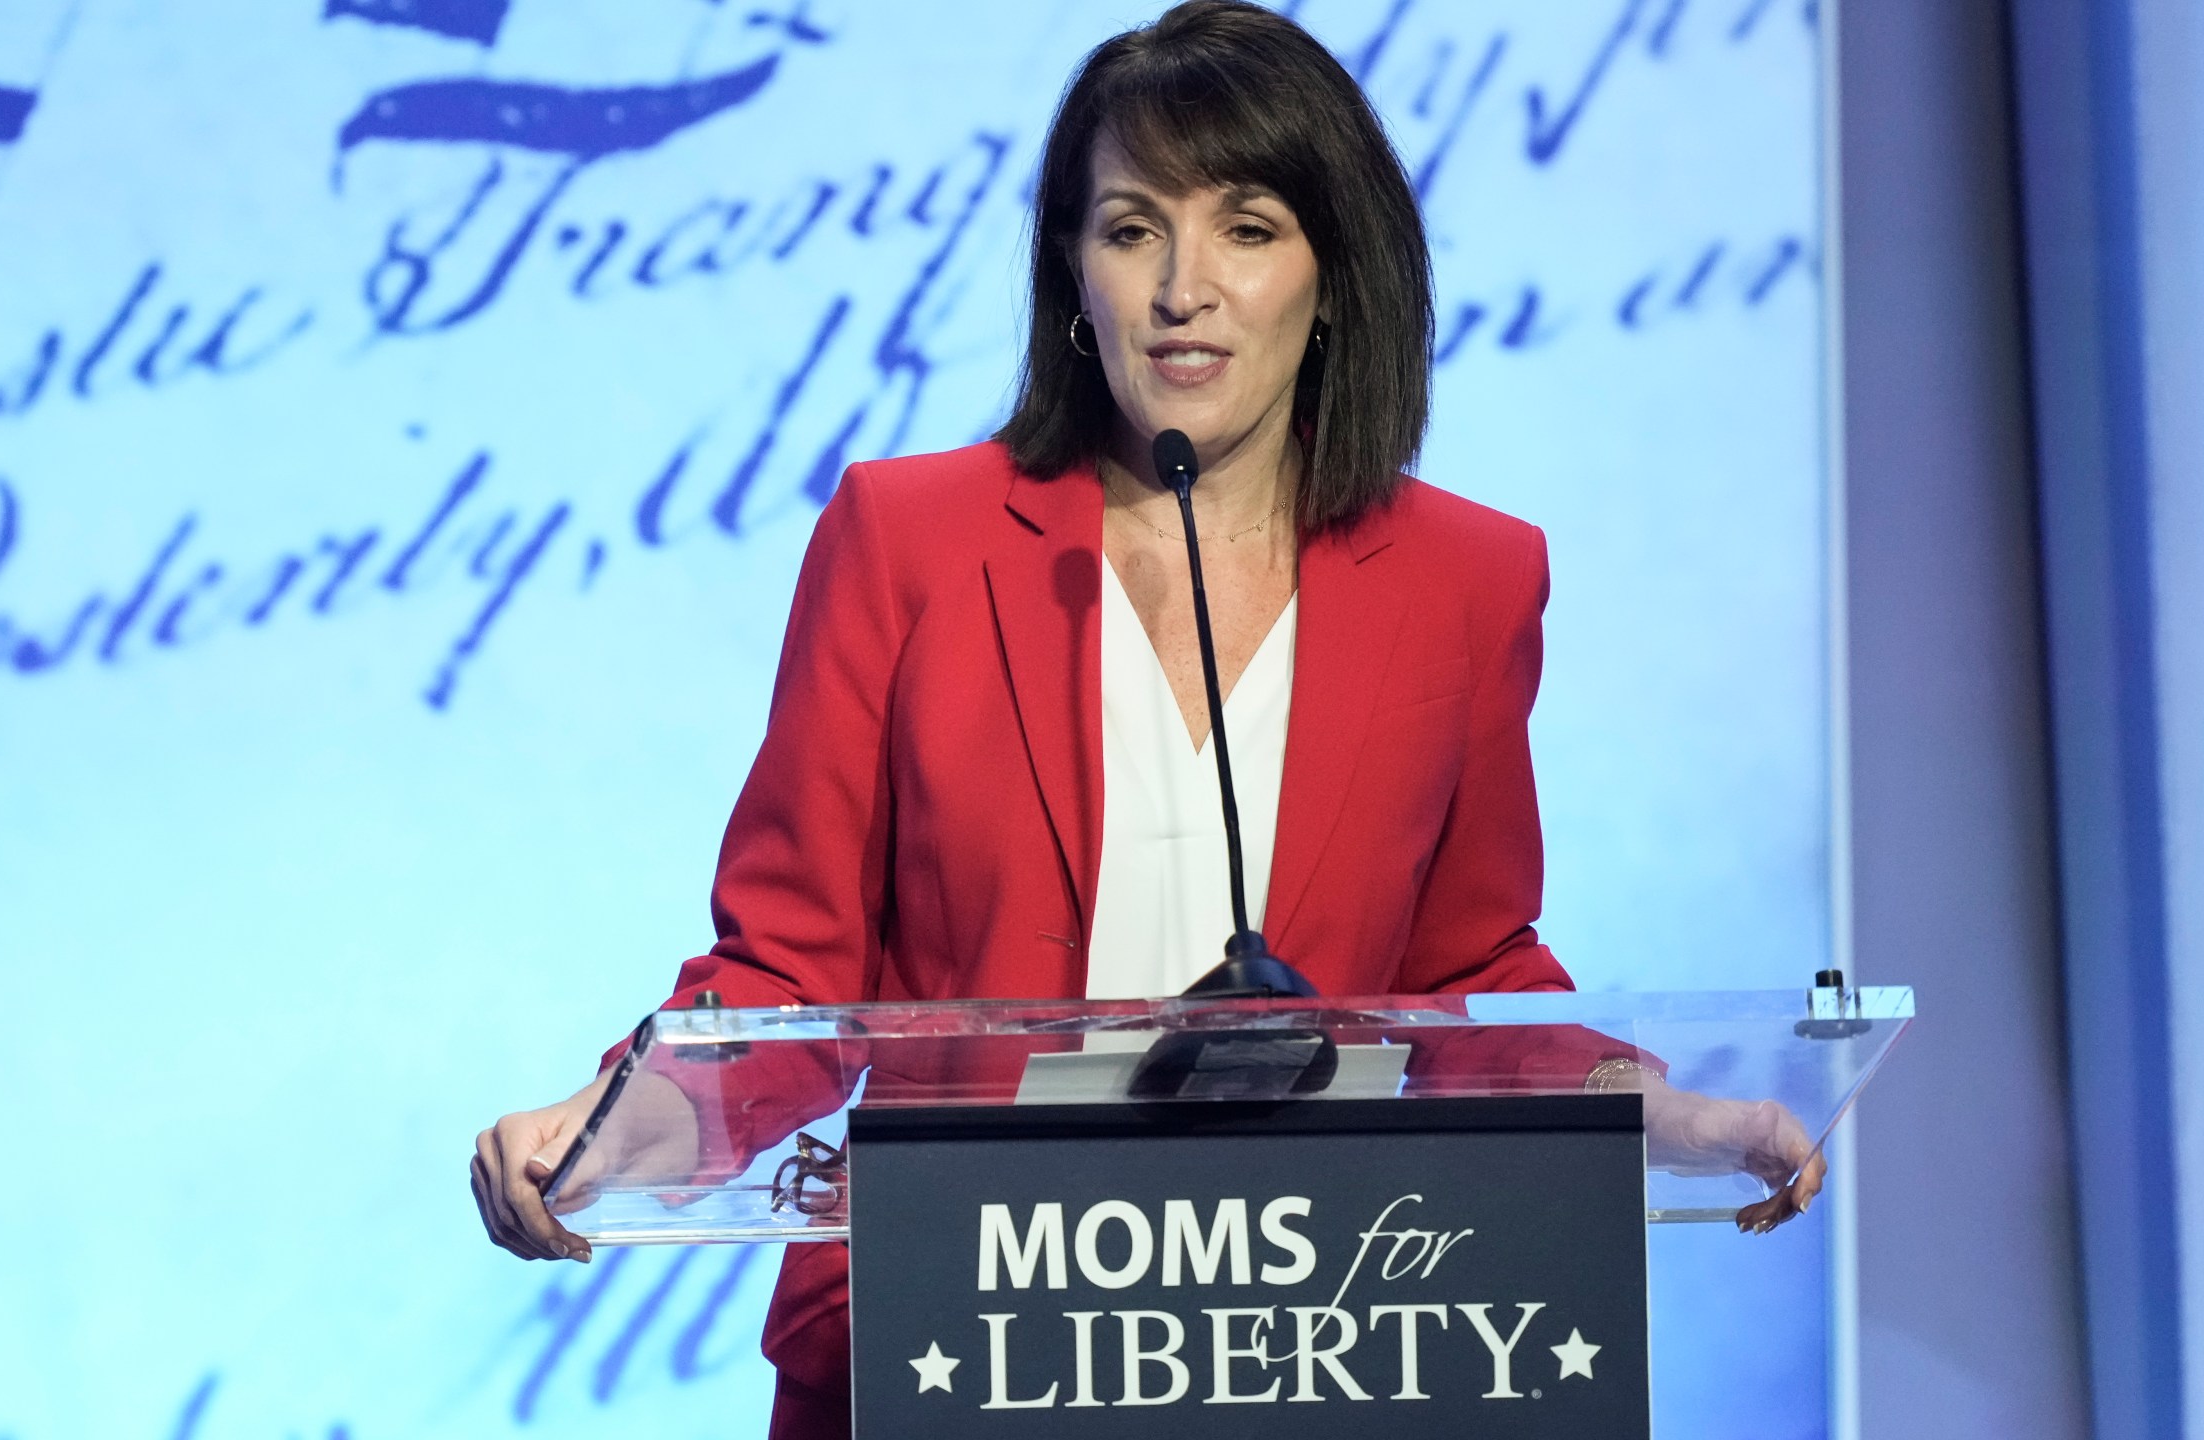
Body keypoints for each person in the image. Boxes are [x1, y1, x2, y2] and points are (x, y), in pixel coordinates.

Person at [470, 3, 1824, 1435]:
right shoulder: (908, 541)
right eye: (1131, 228)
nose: (1185, 286)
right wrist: (617, 1128)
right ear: (1074, 270)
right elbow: (790, 970)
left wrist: (1646, 1113)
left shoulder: (1468, 582)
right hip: (951, 1329)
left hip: (1307, 1336)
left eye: (1247, 227)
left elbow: (1467, 965)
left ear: (1333, 273)